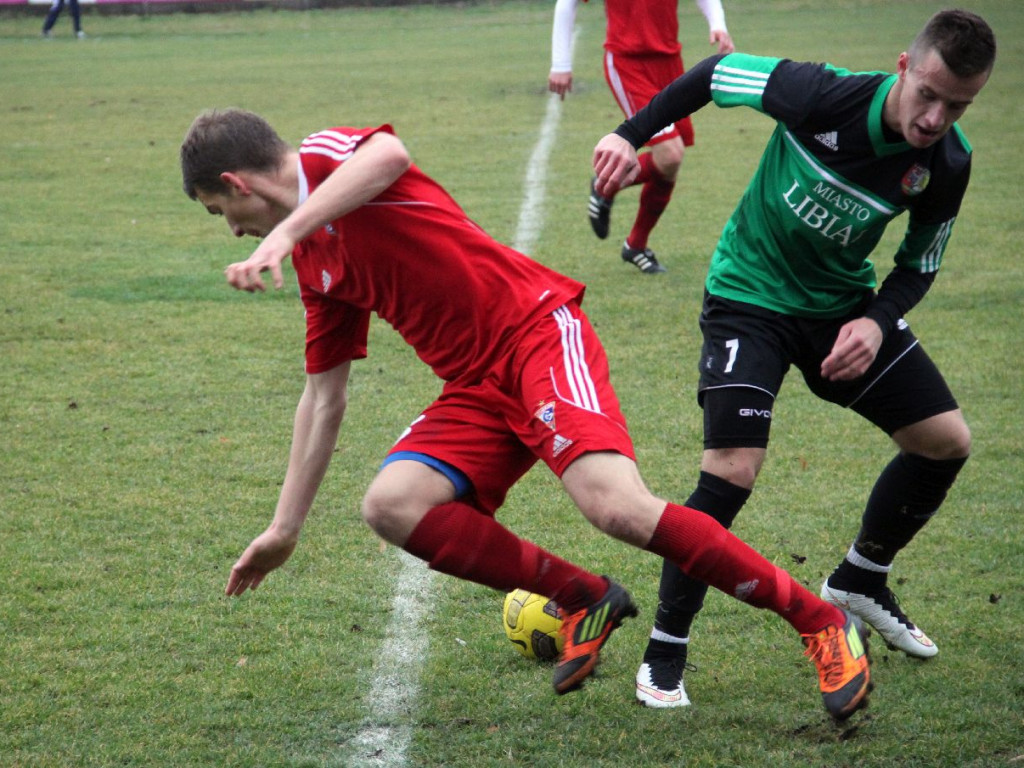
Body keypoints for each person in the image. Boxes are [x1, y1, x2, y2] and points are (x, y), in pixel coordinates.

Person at [180, 108, 872, 719]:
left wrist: (283, 233)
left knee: (616, 507)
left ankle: (820, 621)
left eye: (220, 214)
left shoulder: (327, 156)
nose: (234, 232)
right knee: (392, 505)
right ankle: (585, 598)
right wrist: (283, 529)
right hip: (475, 386)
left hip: (538, 334)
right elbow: (323, 397)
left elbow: (388, 156)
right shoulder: (313, 264)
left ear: (237, 184)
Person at [593, 9, 995, 708]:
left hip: (840, 312)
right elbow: (718, 72)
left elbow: (919, 263)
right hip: (749, 295)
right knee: (732, 469)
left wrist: (875, 320)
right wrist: (630, 135)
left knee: (944, 443)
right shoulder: (819, 93)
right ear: (904, 66)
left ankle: (860, 580)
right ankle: (665, 651)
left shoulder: (947, 162)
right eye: (928, 94)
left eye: (957, 105)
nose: (936, 118)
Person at [549, 0, 734, 274]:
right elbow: (567, 4)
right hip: (627, 62)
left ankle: (635, 244)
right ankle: (605, 187)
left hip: (669, 62)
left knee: (670, 161)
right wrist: (561, 63)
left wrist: (718, 25)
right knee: (670, 154)